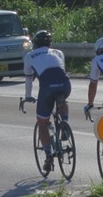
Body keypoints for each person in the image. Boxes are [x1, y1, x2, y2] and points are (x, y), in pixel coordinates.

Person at [23, 30, 72, 173]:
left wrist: (28, 95)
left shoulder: (29, 55)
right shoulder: (59, 52)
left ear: (35, 43)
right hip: (65, 84)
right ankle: (64, 124)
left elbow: (28, 78)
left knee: (42, 124)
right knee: (62, 100)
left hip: (47, 87)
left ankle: (48, 155)